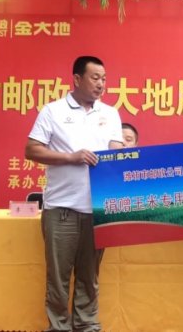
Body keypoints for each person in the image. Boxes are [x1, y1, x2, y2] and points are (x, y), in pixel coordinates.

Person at [25, 56, 123, 332]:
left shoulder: (110, 114)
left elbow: (117, 151)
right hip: (62, 208)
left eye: (104, 79)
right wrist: (72, 157)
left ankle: (86, 324)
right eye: (95, 78)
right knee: (58, 276)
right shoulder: (53, 111)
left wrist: (125, 158)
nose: (101, 84)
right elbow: (31, 150)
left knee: (89, 275)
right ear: (77, 79)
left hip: (98, 208)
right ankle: (58, 326)